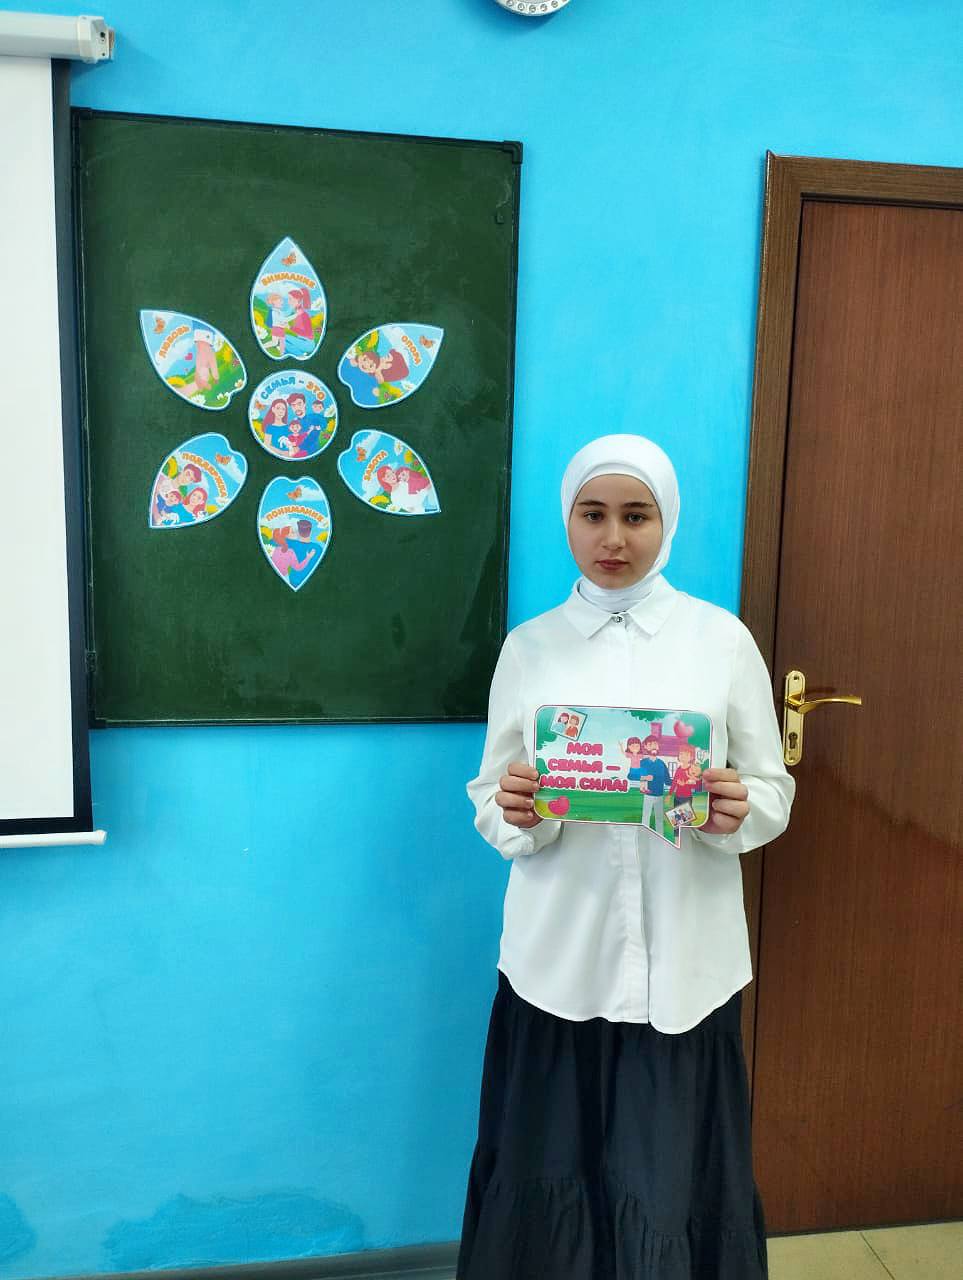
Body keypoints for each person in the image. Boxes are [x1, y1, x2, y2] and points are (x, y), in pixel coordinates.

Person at [459, 434, 795, 1280]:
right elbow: (491, 794)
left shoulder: (720, 641)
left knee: (670, 1175)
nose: (613, 538)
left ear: (665, 521)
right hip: (557, 962)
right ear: (568, 521)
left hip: (685, 965)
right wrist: (516, 812)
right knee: (549, 1163)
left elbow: (770, 789)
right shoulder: (530, 648)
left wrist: (735, 810)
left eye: (636, 516)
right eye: (593, 515)